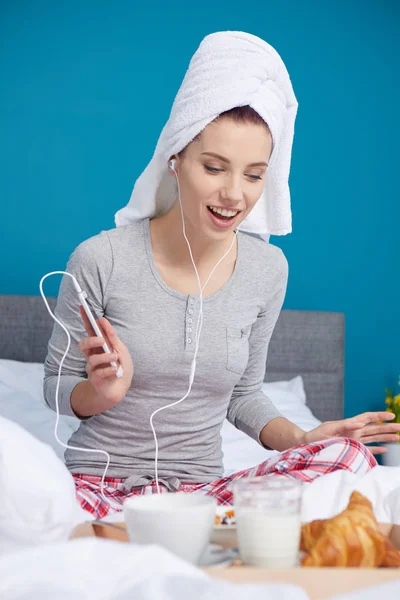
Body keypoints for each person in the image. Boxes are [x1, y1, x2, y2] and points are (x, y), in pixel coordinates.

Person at [44, 32, 398, 518]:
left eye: (254, 175)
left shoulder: (268, 270)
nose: (234, 193)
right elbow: (55, 385)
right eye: (214, 167)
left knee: (349, 458)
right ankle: (108, 527)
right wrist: (99, 393)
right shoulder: (99, 258)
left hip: (202, 496)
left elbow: (244, 396)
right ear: (177, 159)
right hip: (96, 484)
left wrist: (300, 436)